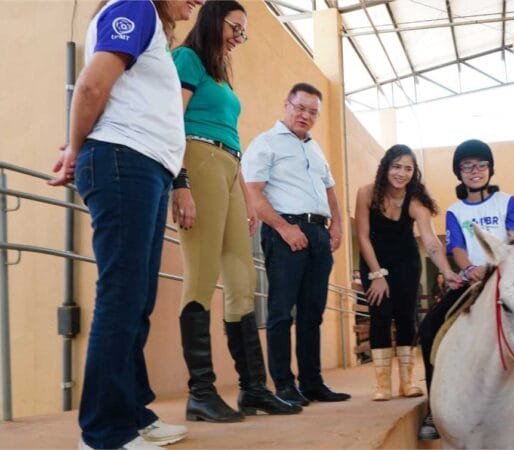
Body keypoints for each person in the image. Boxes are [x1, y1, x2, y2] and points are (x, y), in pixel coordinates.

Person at [49, 0, 202, 448]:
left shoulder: (147, 22)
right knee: (122, 298)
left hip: (143, 165)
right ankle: (104, 434)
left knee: (136, 300)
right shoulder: (135, 6)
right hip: (123, 161)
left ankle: (132, 413)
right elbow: (92, 86)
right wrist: (75, 149)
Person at [171, 1, 300, 424]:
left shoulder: (220, 73)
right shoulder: (187, 58)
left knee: (243, 281)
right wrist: (181, 183)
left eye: (243, 33)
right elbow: (173, 119)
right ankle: (202, 393)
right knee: (202, 276)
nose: (238, 38)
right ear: (213, 18)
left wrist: (246, 197)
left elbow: (231, 136)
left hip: (228, 167)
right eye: (235, 28)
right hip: (199, 158)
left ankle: (254, 388)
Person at [242, 82, 350, 406]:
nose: (306, 115)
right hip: (284, 232)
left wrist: (338, 225)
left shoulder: (315, 149)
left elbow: (330, 190)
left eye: (312, 112)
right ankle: (284, 386)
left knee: (312, 314)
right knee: (280, 313)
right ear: (287, 104)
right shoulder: (266, 143)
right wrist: (284, 228)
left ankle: (312, 383)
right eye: (300, 108)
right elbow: (253, 191)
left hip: (318, 234)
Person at [416, 139, 514, 440]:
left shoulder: (507, 201)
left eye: (481, 165)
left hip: (506, 280)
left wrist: (502, 268)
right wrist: (468, 269)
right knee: (428, 332)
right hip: (473, 282)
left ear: (490, 169)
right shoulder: (454, 211)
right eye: (468, 166)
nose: (475, 171)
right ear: (459, 172)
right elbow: (457, 248)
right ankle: (433, 408)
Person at [355, 145, 461, 401]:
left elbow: (431, 241)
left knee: (406, 317)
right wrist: (377, 274)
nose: (401, 173)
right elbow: (363, 236)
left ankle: (406, 381)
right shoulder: (366, 193)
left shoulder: (415, 202)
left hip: (406, 263)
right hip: (374, 261)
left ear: (414, 173)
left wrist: (446, 270)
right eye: (396, 166)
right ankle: (382, 385)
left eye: (408, 168)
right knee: (380, 315)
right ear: (386, 167)